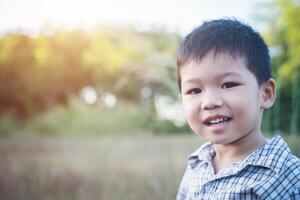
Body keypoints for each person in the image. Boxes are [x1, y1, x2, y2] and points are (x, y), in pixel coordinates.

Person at [176, 18, 300, 200]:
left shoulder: (287, 176)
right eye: (194, 90)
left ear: (266, 93)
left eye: (228, 84)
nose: (209, 102)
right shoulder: (197, 165)